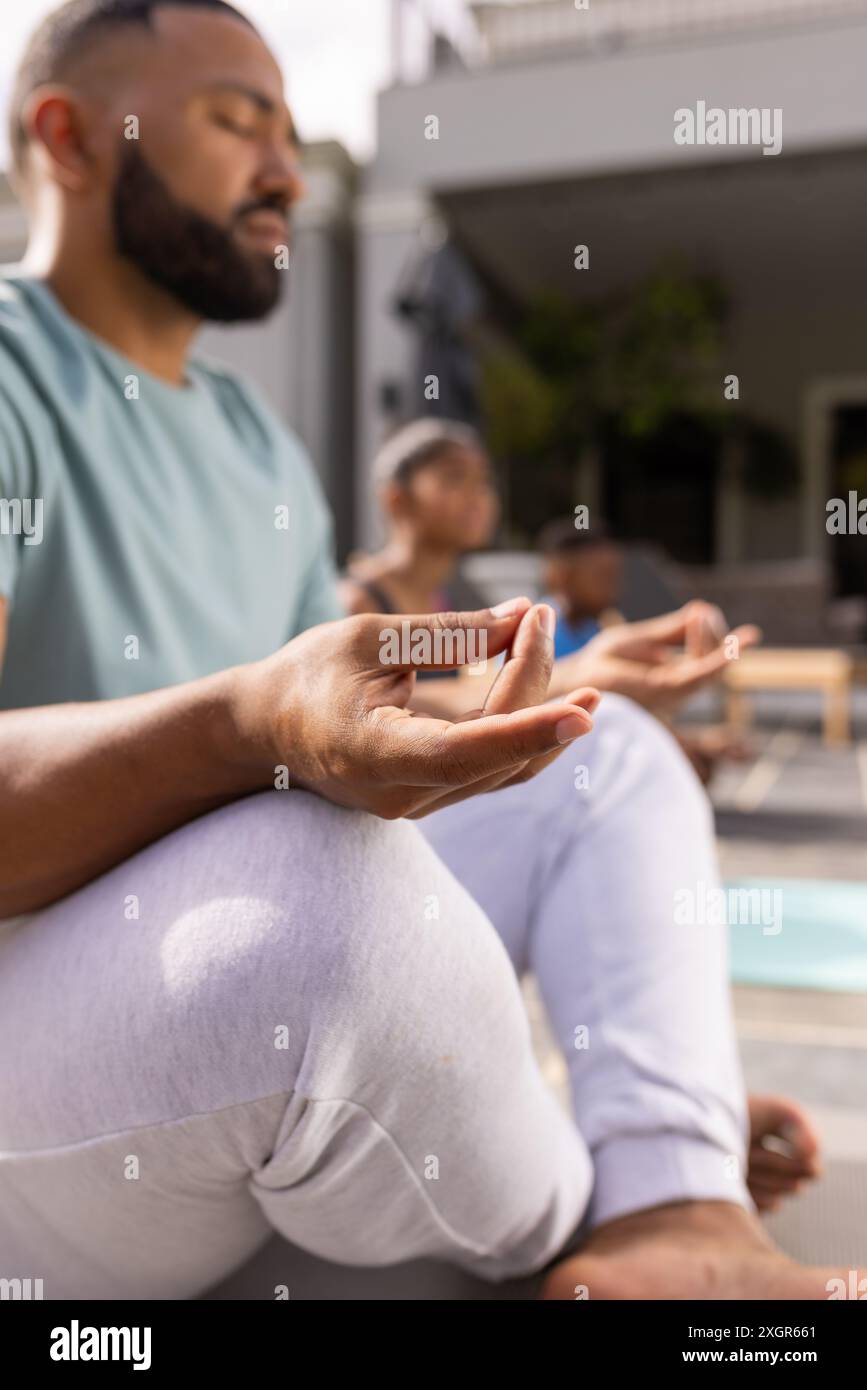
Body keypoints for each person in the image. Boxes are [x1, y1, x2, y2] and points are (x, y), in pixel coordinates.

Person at [0, 0, 831, 1301]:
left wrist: (555, 691)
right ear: (68, 135)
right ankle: (596, 1194)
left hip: (213, 1056)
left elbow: (314, 724)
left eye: (288, 126)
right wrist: (249, 725)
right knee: (314, 899)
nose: (281, 165)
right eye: (234, 121)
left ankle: (670, 1202)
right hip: (45, 1060)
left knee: (598, 753)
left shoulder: (253, 443)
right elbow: (266, 740)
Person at [537, 517, 623, 659]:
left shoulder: (594, 629)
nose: (614, 591)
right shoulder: (536, 633)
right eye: (603, 577)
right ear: (562, 575)